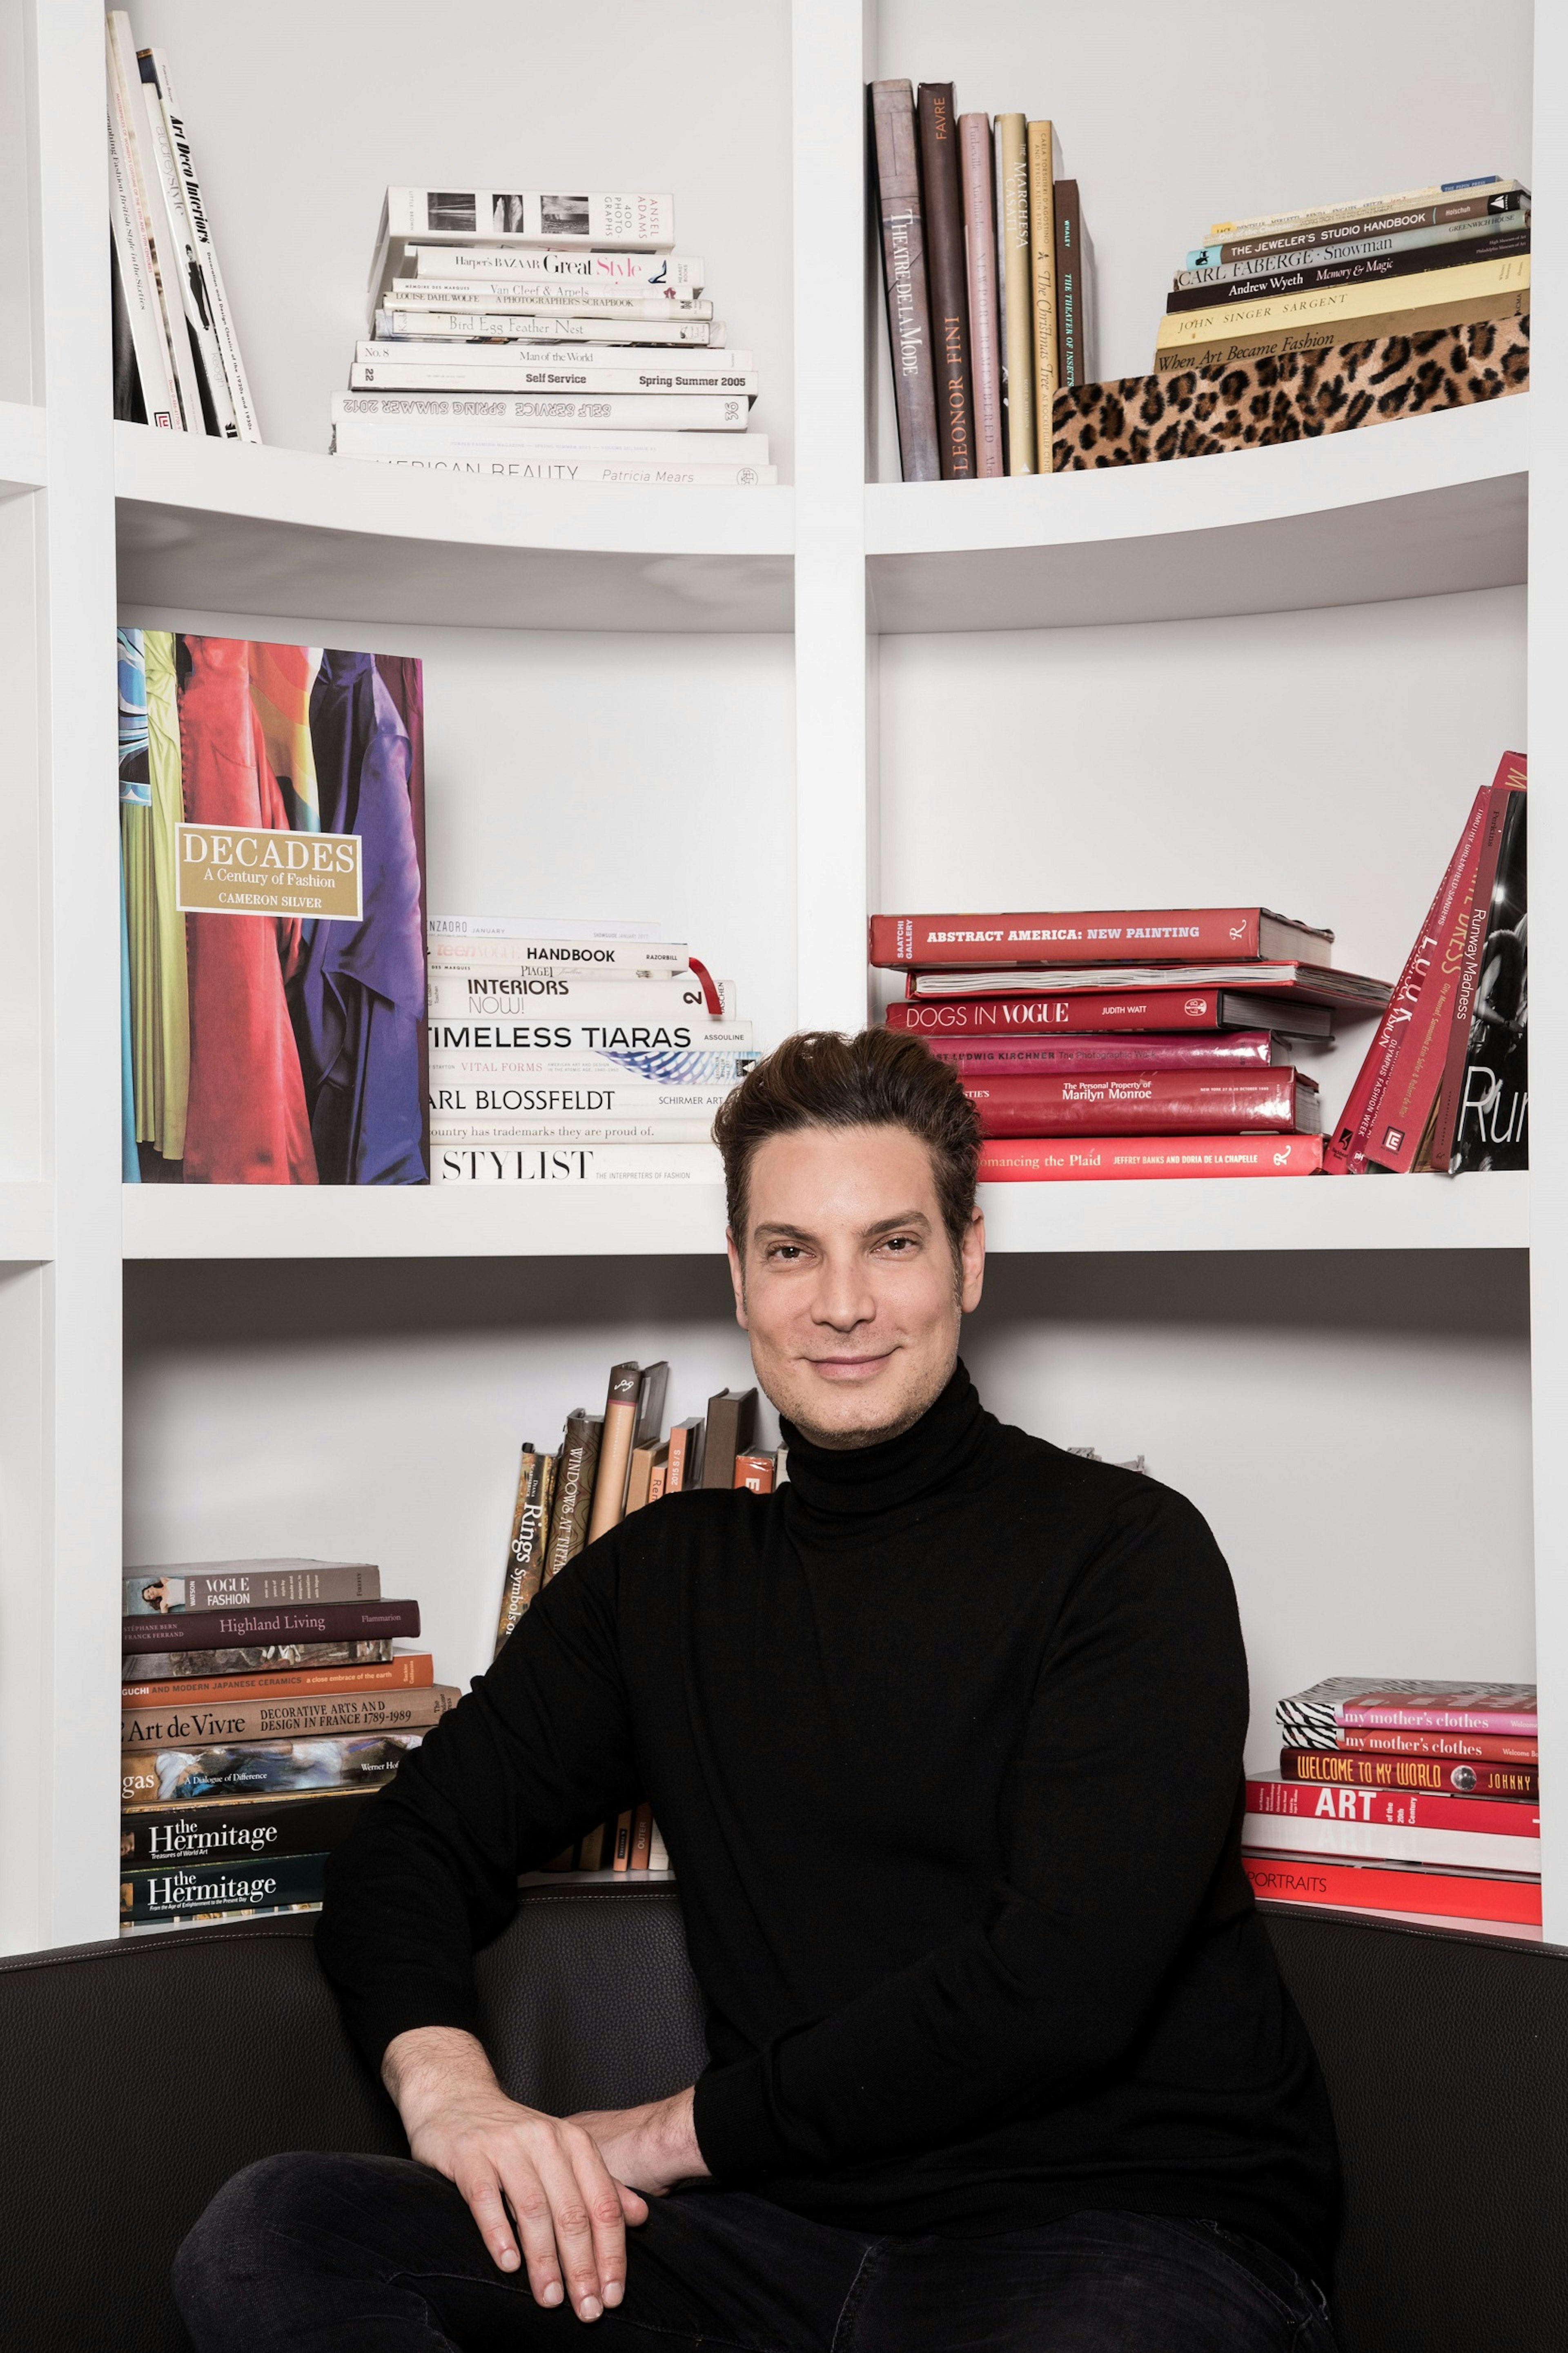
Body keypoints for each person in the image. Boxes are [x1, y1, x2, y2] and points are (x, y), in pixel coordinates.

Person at [174, 1028, 1340, 2352]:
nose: (842, 1302)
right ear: (739, 1278)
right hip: (773, 2252)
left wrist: (667, 2134)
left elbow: (1053, 1986)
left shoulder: (1129, 1554)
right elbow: (413, 1844)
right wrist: (455, 2095)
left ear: (968, 1256)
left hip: (1121, 2238)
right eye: (792, 1250)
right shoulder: (669, 1580)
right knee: (277, 2237)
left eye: (892, 1243)